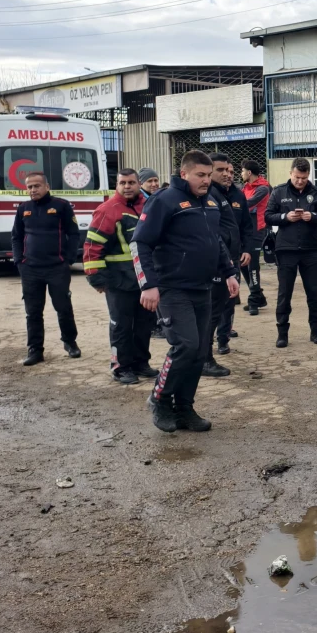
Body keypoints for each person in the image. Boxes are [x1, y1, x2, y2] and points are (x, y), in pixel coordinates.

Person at [132, 150, 238, 433]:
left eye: (208, 175)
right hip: (172, 288)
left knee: (199, 351)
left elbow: (215, 241)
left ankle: (185, 407)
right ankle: (160, 400)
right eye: (200, 175)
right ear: (184, 174)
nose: (206, 180)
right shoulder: (164, 200)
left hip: (203, 287)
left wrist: (229, 271)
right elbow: (140, 243)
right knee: (186, 345)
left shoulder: (211, 201)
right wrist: (148, 284)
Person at [84, 168, 157, 385]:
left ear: (138, 184)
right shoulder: (107, 210)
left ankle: (141, 363)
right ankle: (121, 367)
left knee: (144, 325)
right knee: (121, 326)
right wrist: (96, 278)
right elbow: (92, 247)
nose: (127, 187)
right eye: (122, 183)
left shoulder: (149, 206)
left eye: (131, 182)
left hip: (145, 281)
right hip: (118, 282)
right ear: (116, 185)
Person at [11, 171, 82, 366]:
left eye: (37, 186)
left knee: (63, 307)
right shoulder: (23, 208)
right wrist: (19, 261)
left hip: (57, 268)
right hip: (30, 269)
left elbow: (74, 234)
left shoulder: (61, 206)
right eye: (29, 187)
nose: (33, 190)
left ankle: (70, 342)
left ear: (47, 187)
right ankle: (35, 350)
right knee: (33, 312)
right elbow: (16, 236)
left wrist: (68, 259)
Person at [265, 157, 317, 348]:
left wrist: (313, 216)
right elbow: (268, 216)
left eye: (303, 178)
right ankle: (282, 333)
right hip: (286, 250)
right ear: (291, 173)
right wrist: (285, 217)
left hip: (310, 251)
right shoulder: (279, 192)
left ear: (308, 175)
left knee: (313, 294)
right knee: (284, 293)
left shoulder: (316, 193)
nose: (300, 181)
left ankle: (315, 331)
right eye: (297, 177)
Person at [204, 152, 255, 370]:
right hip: (216, 262)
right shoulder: (208, 195)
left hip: (232, 259)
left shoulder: (236, 194)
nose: (227, 174)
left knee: (228, 302)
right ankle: (205, 357)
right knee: (213, 309)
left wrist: (247, 249)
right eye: (221, 170)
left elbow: (246, 226)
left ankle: (222, 340)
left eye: (229, 170)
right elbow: (213, 233)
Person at [138, 167, 167, 340]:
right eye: (150, 181)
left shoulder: (157, 199)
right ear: (141, 183)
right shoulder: (143, 201)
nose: (154, 184)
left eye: (156, 180)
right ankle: (155, 326)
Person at [240, 160, 271, 315]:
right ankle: (259, 296)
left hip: (257, 230)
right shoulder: (245, 188)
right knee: (242, 263)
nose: (241, 174)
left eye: (242, 171)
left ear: (249, 172)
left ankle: (253, 300)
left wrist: (235, 205)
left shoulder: (263, 188)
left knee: (252, 264)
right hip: (245, 230)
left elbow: (247, 204)